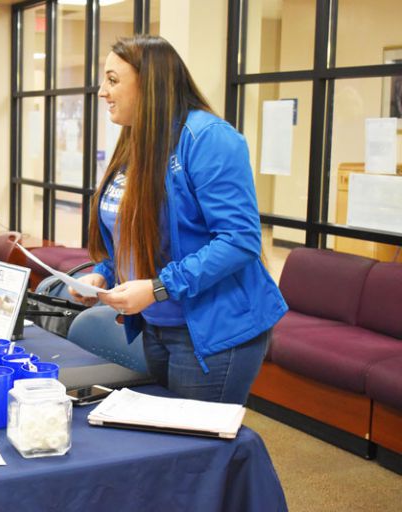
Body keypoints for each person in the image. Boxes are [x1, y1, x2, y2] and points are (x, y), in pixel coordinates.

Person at [69, 35, 287, 405]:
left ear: (149, 81)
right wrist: (104, 274)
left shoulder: (209, 139)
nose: (102, 91)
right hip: (157, 324)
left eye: (113, 79)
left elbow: (239, 240)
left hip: (214, 329)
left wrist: (156, 288)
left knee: (193, 451)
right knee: (165, 444)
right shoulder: (137, 140)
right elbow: (134, 237)